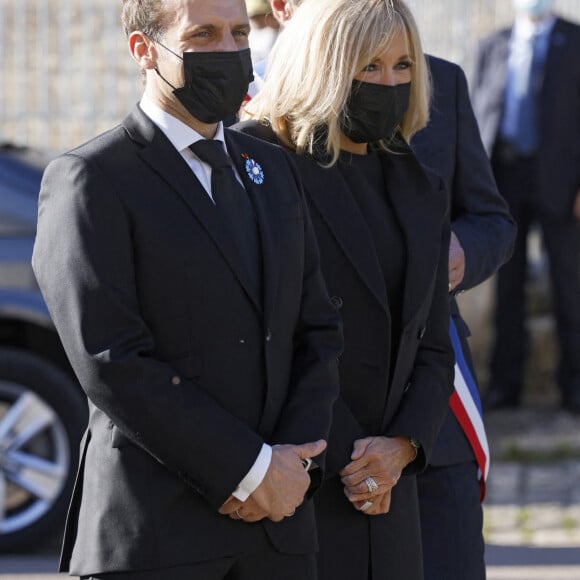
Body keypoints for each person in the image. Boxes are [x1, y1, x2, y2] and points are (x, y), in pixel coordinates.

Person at [31, 0, 343, 578]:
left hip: (278, 534)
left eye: (239, 33)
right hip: (155, 536)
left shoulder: (271, 170)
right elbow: (112, 359)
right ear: (144, 50)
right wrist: (246, 470)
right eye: (203, 34)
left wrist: (289, 468)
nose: (228, 50)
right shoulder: (93, 179)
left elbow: (316, 329)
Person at [249, 1, 516, 577]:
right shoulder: (253, 153)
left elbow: (490, 221)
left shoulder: (418, 159)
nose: (390, 82)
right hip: (307, 448)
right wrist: (355, 450)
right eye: (370, 67)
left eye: (402, 68)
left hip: (420, 426)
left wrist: (402, 444)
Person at [411, 56, 516, 580]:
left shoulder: (439, 80)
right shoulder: (261, 90)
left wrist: (463, 252)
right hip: (325, 410)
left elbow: (490, 218)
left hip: (438, 400)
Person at [471, 0, 580, 413]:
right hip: (504, 179)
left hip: (561, 182)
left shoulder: (576, 41)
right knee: (507, 287)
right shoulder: (493, 45)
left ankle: (574, 385)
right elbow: (478, 116)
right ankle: (505, 384)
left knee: (569, 286)